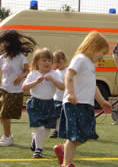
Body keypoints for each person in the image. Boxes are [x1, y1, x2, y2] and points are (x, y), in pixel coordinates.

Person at [53, 31, 112, 167]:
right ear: (93, 47)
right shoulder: (80, 59)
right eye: (102, 53)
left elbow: (93, 86)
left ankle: (62, 149)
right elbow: (68, 76)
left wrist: (102, 101)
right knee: (74, 137)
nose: (102, 57)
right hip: (74, 104)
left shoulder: (91, 64)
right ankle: (67, 163)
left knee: (86, 134)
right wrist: (71, 93)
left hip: (86, 104)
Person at [22, 47, 64, 158]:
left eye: (49, 60)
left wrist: (53, 80)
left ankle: (35, 138)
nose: (47, 63)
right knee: (40, 128)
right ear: (37, 62)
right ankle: (38, 150)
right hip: (35, 104)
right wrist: (36, 82)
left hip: (50, 104)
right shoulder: (33, 74)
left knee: (46, 131)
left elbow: (63, 87)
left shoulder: (55, 74)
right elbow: (24, 87)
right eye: (44, 60)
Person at [0, 29, 36, 146]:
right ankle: (7, 135)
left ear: (11, 43)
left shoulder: (20, 57)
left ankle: (8, 137)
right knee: (2, 113)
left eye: (5, 42)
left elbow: (27, 70)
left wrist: (20, 77)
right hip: (4, 89)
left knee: (4, 114)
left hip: (14, 91)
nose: (3, 44)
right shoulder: (3, 58)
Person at [50, 50, 68, 138]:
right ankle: (57, 130)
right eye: (56, 62)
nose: (57, 64)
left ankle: (64, 130)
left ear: (64, 60)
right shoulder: (55, 72)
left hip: (66, 98)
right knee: (57, 116)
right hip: (57, 97)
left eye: (60, 61)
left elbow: (65, 85)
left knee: (65, 116)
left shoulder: (68, 71)